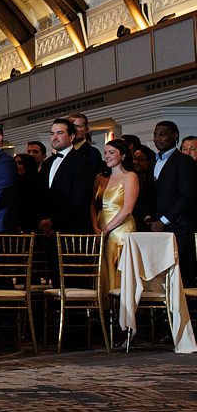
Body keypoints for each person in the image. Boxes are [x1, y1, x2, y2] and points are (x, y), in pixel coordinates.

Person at [146, 120, 197, 283]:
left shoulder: (184, 161)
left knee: (180, 275)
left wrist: (163, 220)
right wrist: (149, 217)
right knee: (159, 273)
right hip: (157, 228)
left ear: (174, 136)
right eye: (155, 134)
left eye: (162, 134)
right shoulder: (154, 161)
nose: (158, 138)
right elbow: (152, 193)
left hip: (179, 227)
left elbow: (186, 196)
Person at [92, 139, 138, 297]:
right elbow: (92, 205)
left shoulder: (130, 176)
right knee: (102, 270)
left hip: (121, 230)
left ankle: (120, 310)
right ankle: (104, 312)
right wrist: (95, 227)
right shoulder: (100, 177)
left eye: (112, 153)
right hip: (100, 229)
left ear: (123, 155)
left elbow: (127, 209)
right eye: (105, 153)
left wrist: (106, 229)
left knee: (117, 271)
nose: (107, 156)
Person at [39, 118, 97, 236]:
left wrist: (54, 222)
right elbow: (41, 195)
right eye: (52, 133)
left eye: (60, 133)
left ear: (71, 137)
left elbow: (80, 199)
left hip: (72, 231)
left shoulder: (82, 162)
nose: (55, 137)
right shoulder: (47, 163)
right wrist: (43, 220)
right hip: (47, 233)